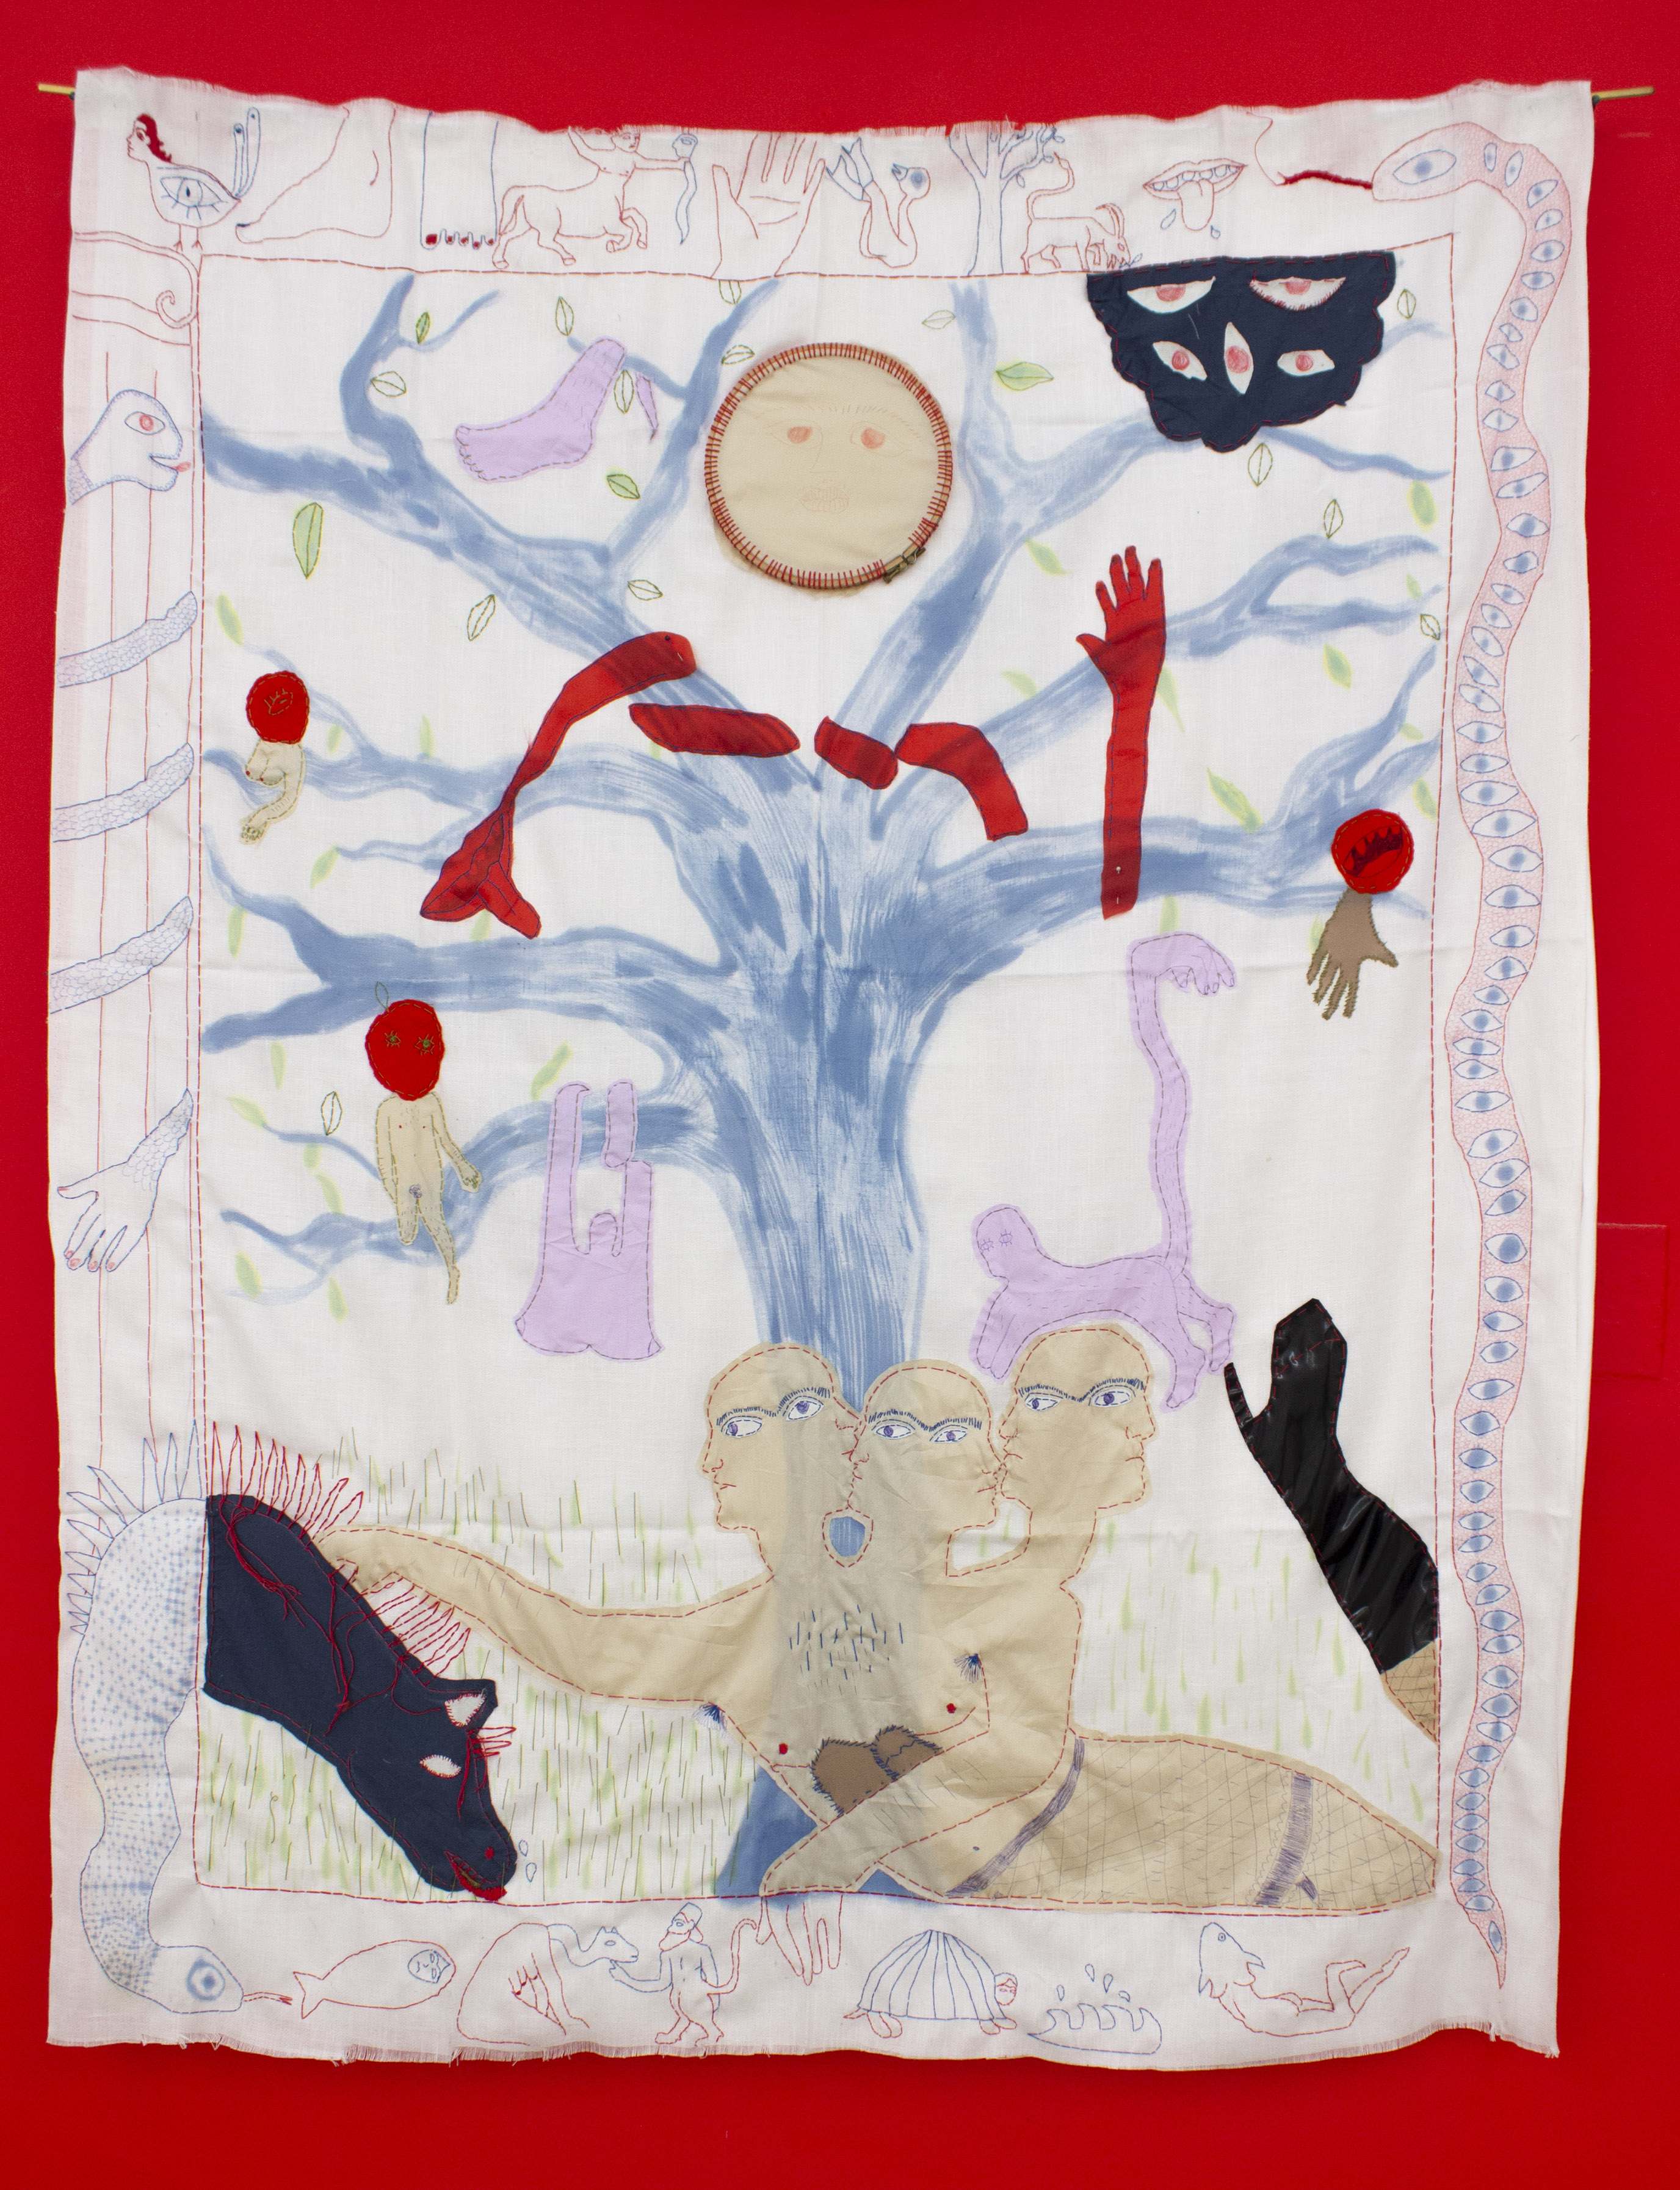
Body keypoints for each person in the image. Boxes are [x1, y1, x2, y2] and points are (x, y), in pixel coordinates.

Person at [760, 1322, 1437, 1915]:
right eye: (1109, 1398)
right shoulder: (984, 1599)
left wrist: (1319, 1482)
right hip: (1212, 1839)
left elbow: (1017, 1752)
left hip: (1239, 1826)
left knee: (1426, 1895)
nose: (1143, 1428)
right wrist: (848, 1844)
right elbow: (1016, 1754)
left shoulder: (1028, 1593)